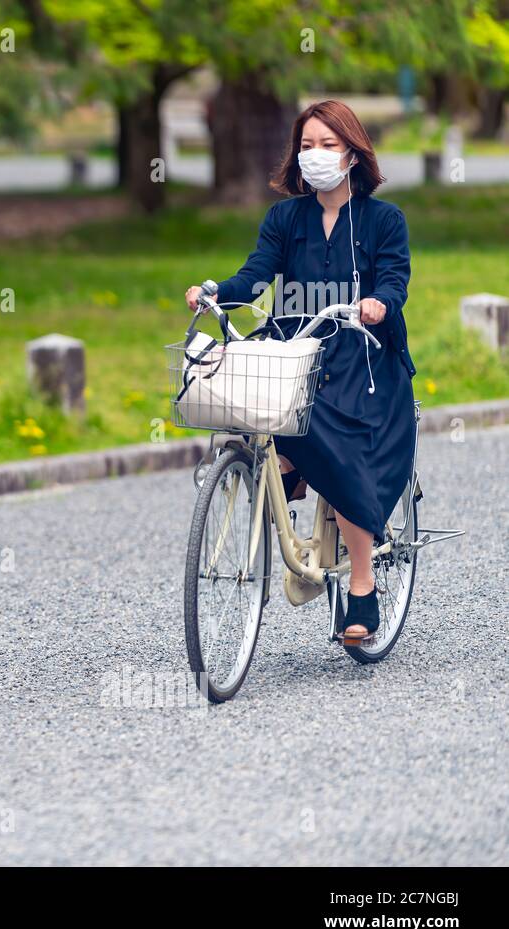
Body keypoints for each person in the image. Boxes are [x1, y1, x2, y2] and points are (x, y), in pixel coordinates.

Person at [185, 100, 416, 644]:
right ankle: (289, 468)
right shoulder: (285, 218)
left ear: (354, 154)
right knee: (258, 407)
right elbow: (256, 274)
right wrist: (218, 292)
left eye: (329, 145)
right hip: (298, 353)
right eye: (307, 145)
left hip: (365, 358)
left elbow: (395, 281)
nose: (316, 156)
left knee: (347, 451)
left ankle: (362, 587)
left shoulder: (385, 220)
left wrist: (378, 303)